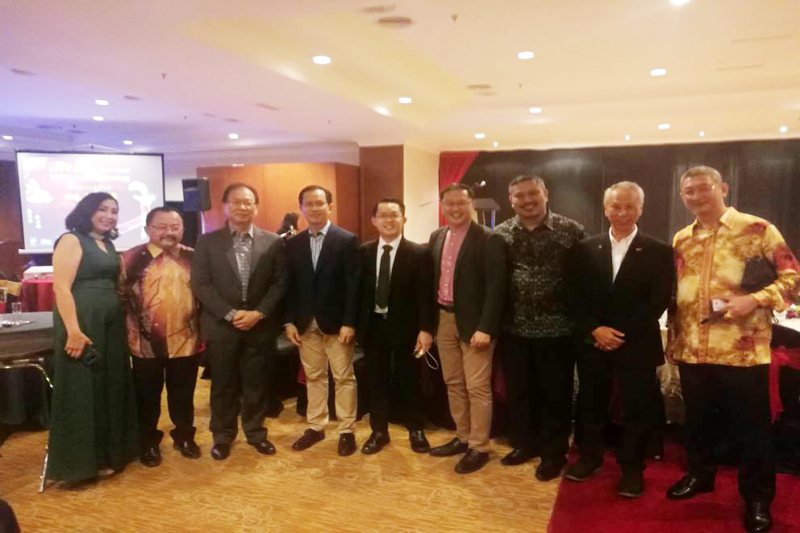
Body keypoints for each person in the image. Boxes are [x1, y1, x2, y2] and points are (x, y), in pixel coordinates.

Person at [666, 166, 800, 533]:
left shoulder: (758, 229)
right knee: (698, 423)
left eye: (704, 188)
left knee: (752, 429)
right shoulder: (681, 238)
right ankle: (701, 475)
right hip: (693, 349)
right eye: (689, 191)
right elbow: (677, 294)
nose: (696, 196)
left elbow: (793, 278)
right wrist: (674, 341)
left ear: (723, 188)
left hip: (742, 350)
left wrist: (754, 299)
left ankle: (757, 498)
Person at [565, 182, 673, 498]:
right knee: (590, 404)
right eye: (616, 206)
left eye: (629, 206)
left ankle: (632, 469)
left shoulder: (659, 251)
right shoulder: (585, 248)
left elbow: (658, 300)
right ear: (605, 209)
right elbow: (573, 296)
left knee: (636, 409)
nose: (622, 212)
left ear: (640, 209)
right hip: (593, 342)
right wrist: (595, 329)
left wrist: (619, 334)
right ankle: (589, 458)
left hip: (636, 343)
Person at [493, 176, 586, 481]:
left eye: (533, 193)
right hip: (513, 330)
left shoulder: (571, 231)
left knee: (555, 396)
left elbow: (586, 278)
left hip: (558, 330)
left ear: (545, 193)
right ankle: (525, 444)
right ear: (511, 200)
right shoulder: (500, 234)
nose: (527, 200)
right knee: (519, 393)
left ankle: (553, 453)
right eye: (519, 195)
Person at [191, 183, 287, 460]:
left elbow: (280, 283)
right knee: (223, 384)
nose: (242, 207)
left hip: (260, 326)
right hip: (222, 326)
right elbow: (201, 284)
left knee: (257, 383)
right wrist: (231, 314)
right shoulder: (207, 241)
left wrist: (259, 313)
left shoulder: (274, 241)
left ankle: (256, 433)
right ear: (225, 206)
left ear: (256, 207)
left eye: (248, 202)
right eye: (236, 202)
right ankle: (222, 436)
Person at [48, 192, 138, 484]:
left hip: (110, 324)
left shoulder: (107, 243)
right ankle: (81, 464)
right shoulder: (71, 240)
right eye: (103, 209)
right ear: (87, 210)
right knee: (83, 389)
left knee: (109, 385)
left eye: (114, 211)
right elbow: (62, 288)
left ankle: (110, 454)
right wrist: (73, 331)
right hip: (82, 321)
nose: (109, 215)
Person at [427, 183, 506, 474]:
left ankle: (479, 446)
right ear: (442, 206)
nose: (455, 208)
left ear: (472, 204)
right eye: (449, 203)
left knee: (477, 387)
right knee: (453, 383)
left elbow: (497, 288)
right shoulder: (437, 236)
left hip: (475, 324)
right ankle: (462, 437)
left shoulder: (489, 238)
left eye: (461, 203)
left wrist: (486, 327)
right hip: (443, 319)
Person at [119, 207, 201, 467]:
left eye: (175, 227)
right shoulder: (130, 258)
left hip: (186, 340)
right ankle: (148, 443)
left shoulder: (194, 257)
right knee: (147, 397)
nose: (169, 232)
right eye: (161, 227)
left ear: (183, 230)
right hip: (144, 344)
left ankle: (184, 437)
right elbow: (120, 297)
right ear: (147, 229)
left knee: (183, 395)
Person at [284, 185, 361, 456]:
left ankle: (347, 430)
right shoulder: (293, 243)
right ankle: (316, 426)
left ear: (330, 206)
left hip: (338, 324)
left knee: (344, 377)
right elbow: (289, 286)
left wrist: (350, 322)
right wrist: (289, 321)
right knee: (314, 376)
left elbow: (354, 285)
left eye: (320, 203)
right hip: (305, 323)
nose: (314, 208)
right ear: (301, 208)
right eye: (309, 204)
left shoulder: (347, 240)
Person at [357, 198, 435, 454]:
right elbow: (357, 293)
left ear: (404, 219)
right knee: (376, 380)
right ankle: (379, 431)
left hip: (407, 327)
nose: (388, 220)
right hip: (373, 327)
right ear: (374, 221)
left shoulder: (419, 253)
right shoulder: (363, 252)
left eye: (394, 215)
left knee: (409, 379)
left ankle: (416, 429)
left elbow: (426, 295)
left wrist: (426, 329)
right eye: (383, 215)